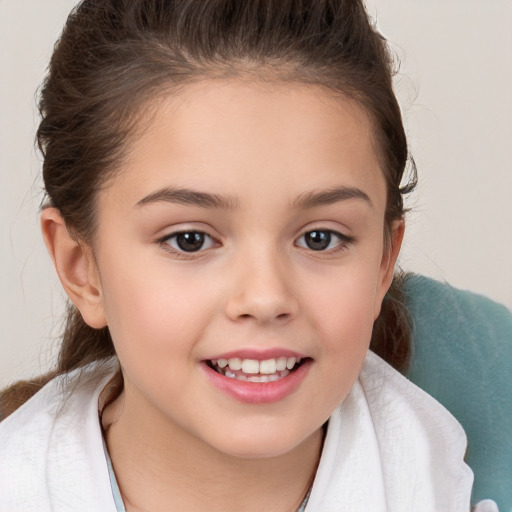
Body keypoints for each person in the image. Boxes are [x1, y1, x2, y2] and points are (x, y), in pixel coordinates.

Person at [0, 0, 491, 510]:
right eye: (189, 239)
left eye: (320, 238)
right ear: (82, 268)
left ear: (383, 263)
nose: (264, 298)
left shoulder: (437, 479)